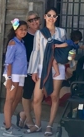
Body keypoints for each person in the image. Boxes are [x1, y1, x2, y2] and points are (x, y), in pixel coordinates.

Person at [25, 8, 67, 136]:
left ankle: (49, 125)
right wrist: (33, 71)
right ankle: (38, 124)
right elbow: (36, 52)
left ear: (56, 18)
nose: (51, 18)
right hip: (42, 68)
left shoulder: (61, 32)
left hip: (57, 68)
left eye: (54, 16)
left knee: (54, 97)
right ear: (44, 16)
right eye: (49, 15)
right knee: (37, 98)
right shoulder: (39, 33)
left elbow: (66, 49)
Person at [3, 18, 28, 136]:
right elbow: (8, 62)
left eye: (25, 30)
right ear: (16, 31)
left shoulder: (21, 42)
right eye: (21, 29)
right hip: (13, 74)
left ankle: (6, 122)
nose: (23, 31)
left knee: (17, 98)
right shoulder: (13, 42)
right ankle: (8, 128)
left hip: (21, 73)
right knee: (10, 99)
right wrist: (8, 78)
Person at [17, 12, 41, 129]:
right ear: (28, 23)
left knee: (39, 97)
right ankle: (29, 120)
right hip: (28, 69)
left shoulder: (43, 34)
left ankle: (22, 114)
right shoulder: (24, 35)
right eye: (30, 20)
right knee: (27, 94)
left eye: (36, 19)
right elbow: (14, 29)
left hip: (41, 69)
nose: (34, 22)